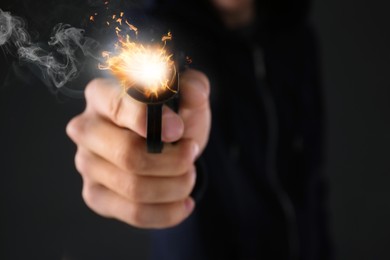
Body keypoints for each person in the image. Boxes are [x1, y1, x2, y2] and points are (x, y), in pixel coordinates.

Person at [0, 0, 330, 259]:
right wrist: (140, 140)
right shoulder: (152, 29)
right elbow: (137, 78)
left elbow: (310, 172)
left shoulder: (296, 35)